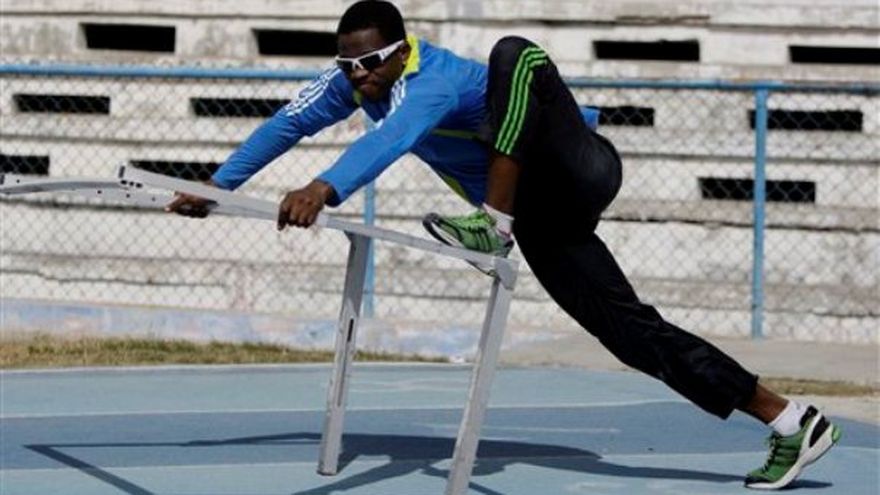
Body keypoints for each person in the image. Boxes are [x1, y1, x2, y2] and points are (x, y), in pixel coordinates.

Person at [167, 1, 840, 489]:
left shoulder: (429, 81)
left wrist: (323, 188)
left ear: (400, 50)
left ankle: (491, 223)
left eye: (369, 63)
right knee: (632, 333)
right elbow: (288, 122)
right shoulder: (352, 84)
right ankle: (790, 421)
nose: (358, 77)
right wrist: (218, 185)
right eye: (347, 66)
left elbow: (391, 141)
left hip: (576, 166)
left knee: (513, 54)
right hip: (539, 218)